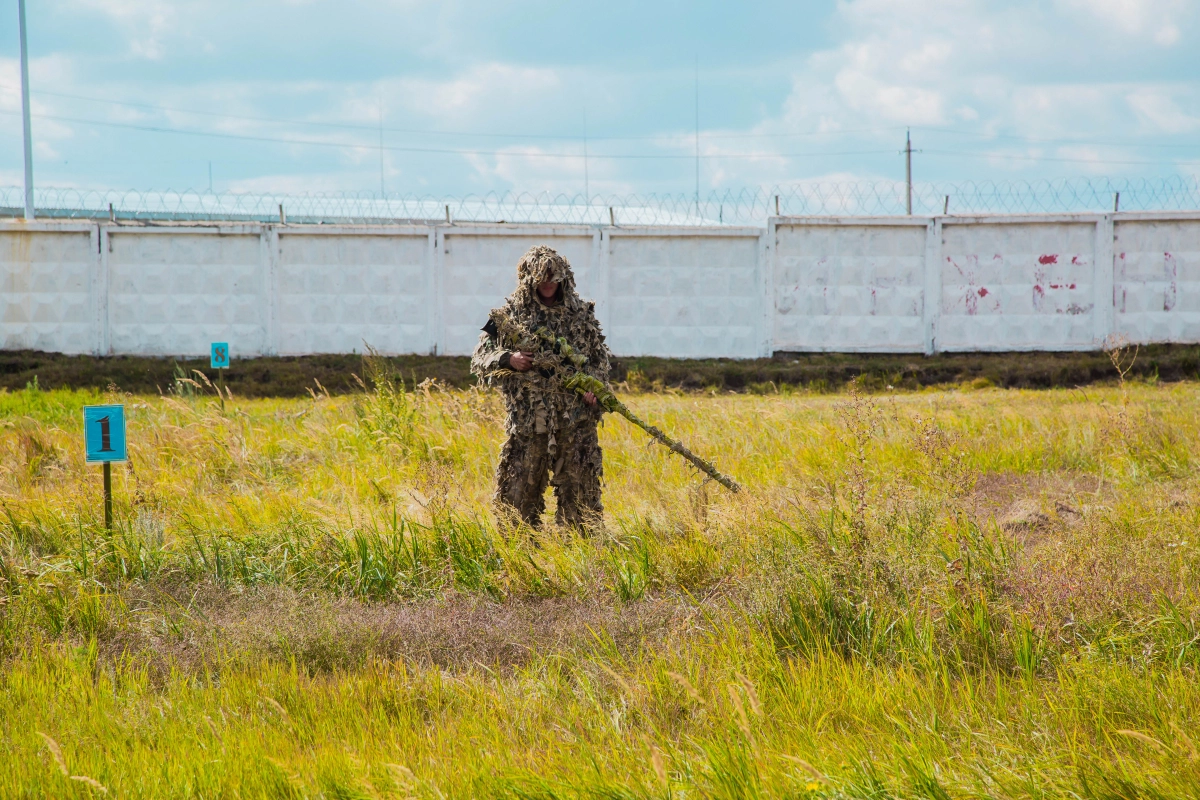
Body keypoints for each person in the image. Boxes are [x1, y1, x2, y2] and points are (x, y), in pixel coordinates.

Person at [471, 245, 612, 530]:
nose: (547, 282)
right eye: (540, 276)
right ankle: (519, 555)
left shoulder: (581, 315)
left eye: (553, 275)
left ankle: (582, 557)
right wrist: (509, 359)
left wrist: (594, 390)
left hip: (575, 423)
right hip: (527, 424)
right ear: (527, 279)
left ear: (564, 277)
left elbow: (600, 360)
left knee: (581, 497)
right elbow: (479, 357)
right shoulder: (508, 316)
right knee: (518, 496)